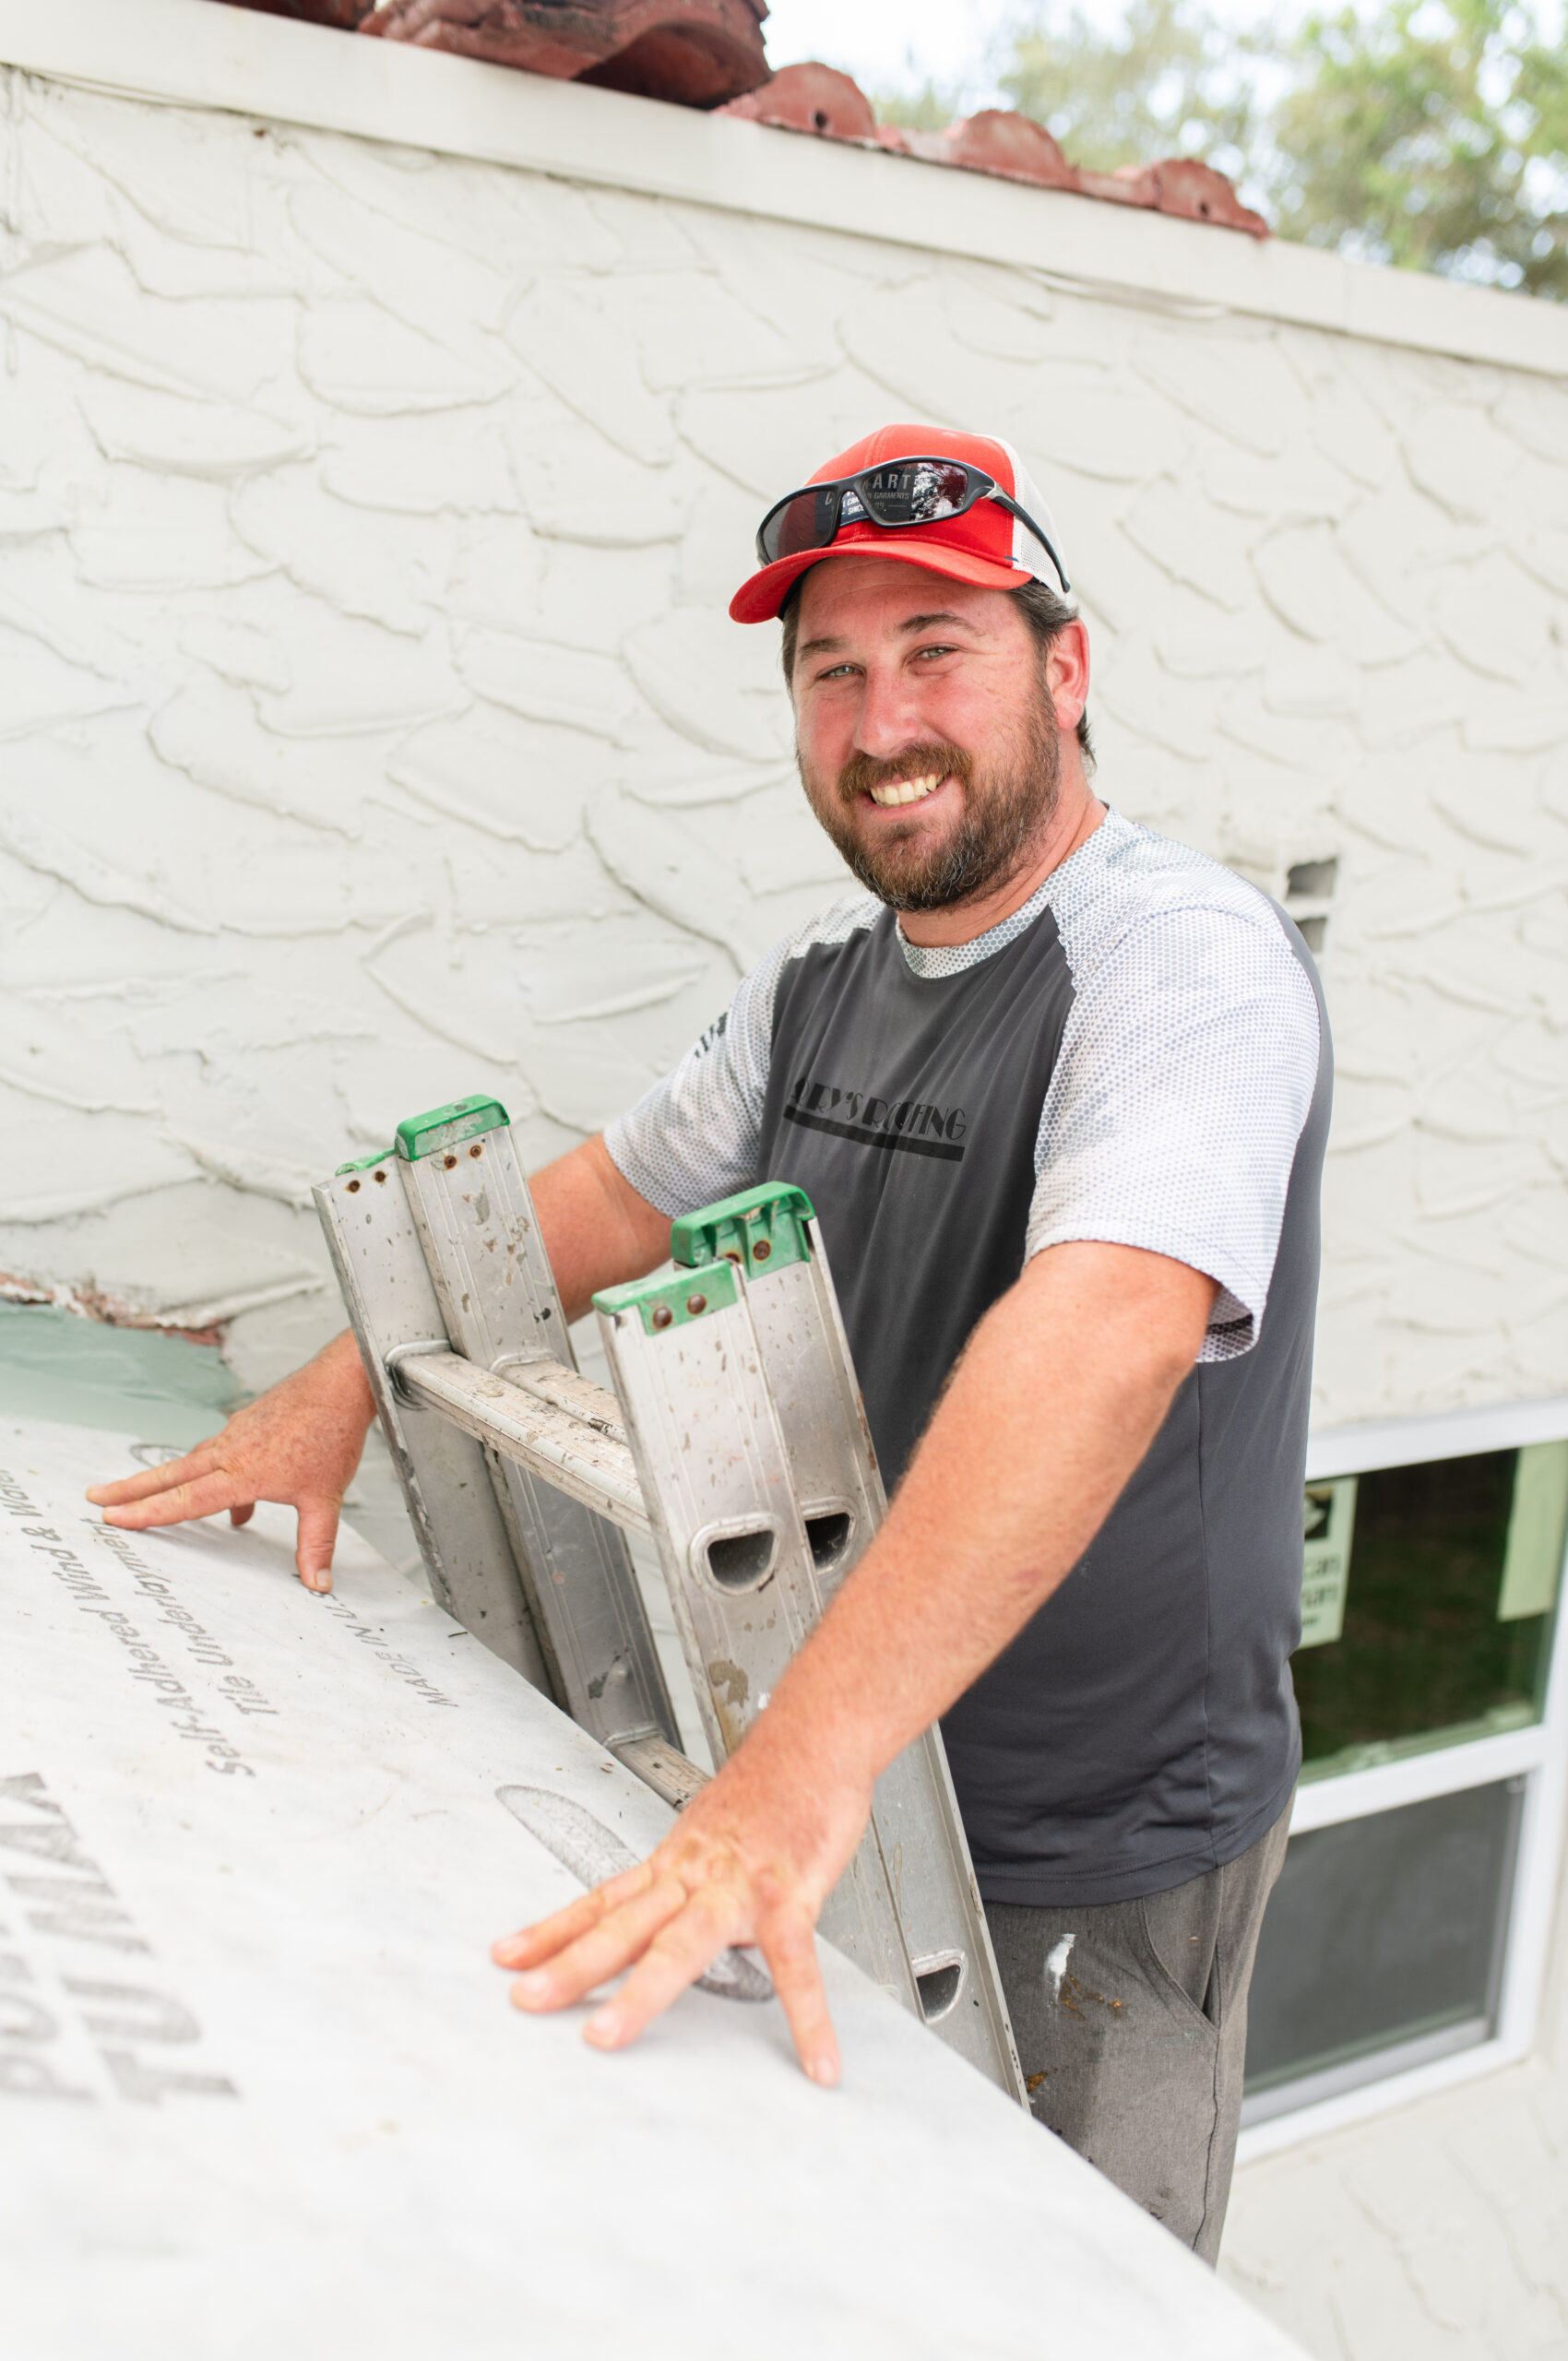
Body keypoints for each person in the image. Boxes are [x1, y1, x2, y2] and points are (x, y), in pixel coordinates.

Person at [89, 424, 1330, 2261]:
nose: (879, 714)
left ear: (1064, 671)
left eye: (936, 651)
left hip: (1093, 1850)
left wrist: (791, 1772)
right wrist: (330, 1395)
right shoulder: (816, 993)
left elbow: (1107, 1332)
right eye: (829, 670)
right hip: (837, 1788)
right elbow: (594, 1203)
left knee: (1055, 2293)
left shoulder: (1177, 961)